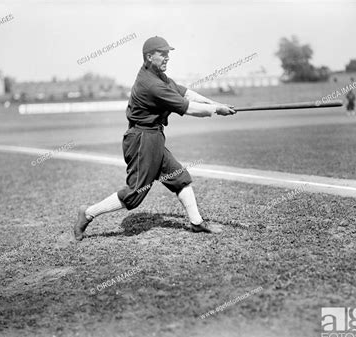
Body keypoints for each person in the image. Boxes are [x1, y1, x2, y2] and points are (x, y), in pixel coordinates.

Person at [73, 36, 236, 241]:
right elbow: (189, 108)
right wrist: (215, 110)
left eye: (168, 53)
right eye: (163, 54)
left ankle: (197, 223)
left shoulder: (159, 76)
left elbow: (187, 94)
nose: (168, 57)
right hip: (142, 139)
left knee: (179, 178)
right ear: (150, 56)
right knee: (134, 195)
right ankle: (87, 213)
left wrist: (216, 103)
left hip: (153, 137)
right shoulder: (151, 84)